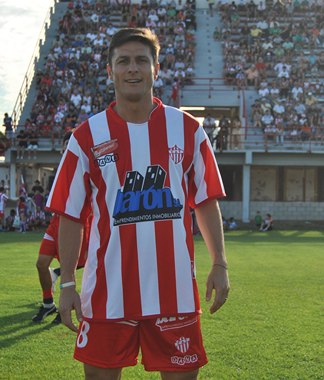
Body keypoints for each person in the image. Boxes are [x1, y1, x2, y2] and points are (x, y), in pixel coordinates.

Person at [46, 28, 229, 380]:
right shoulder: (86, 136)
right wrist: (67, 282)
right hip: (106, 295)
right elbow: (70, 214)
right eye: (123, 61)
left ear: (156, 68)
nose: (133, 69)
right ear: (110, 71)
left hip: (174, 294)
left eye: (141, 61)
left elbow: (205, 201)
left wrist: (220, 262)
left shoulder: (187, 129)